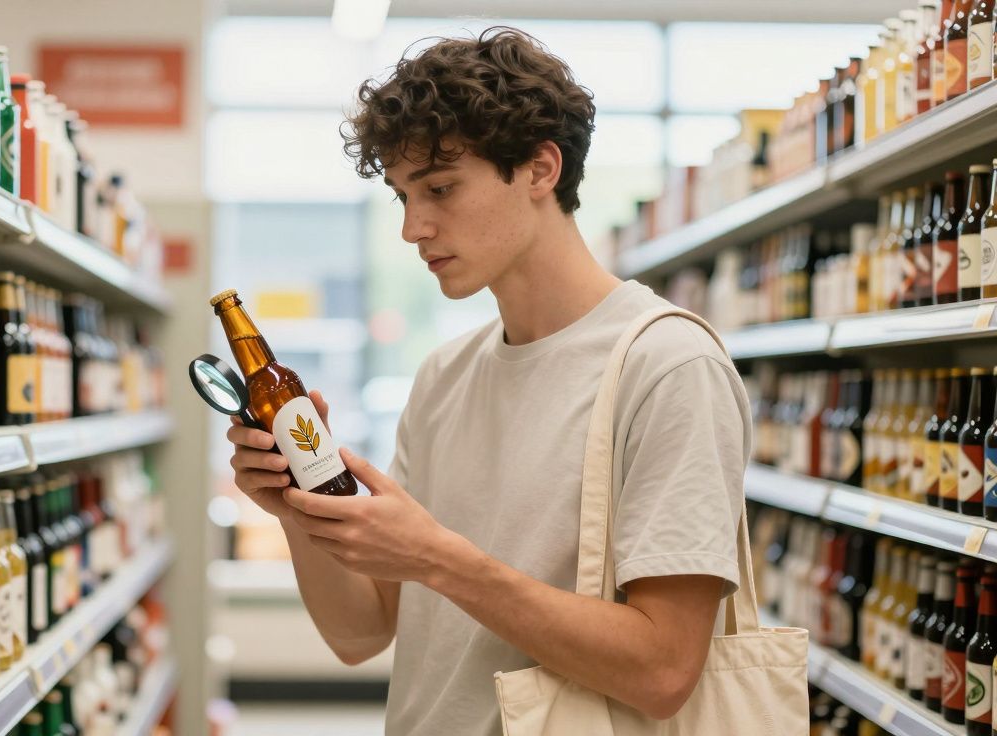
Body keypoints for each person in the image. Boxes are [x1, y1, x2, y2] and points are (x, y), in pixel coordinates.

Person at [224, 27, 749, 735]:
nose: (413, 227)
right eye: (403, 196)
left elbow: (662, 672)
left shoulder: (667, 366)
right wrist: (295, 509)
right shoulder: (444, 377)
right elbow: (360, 636)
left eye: (440, 188)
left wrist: (440, 560)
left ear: (540, 169)